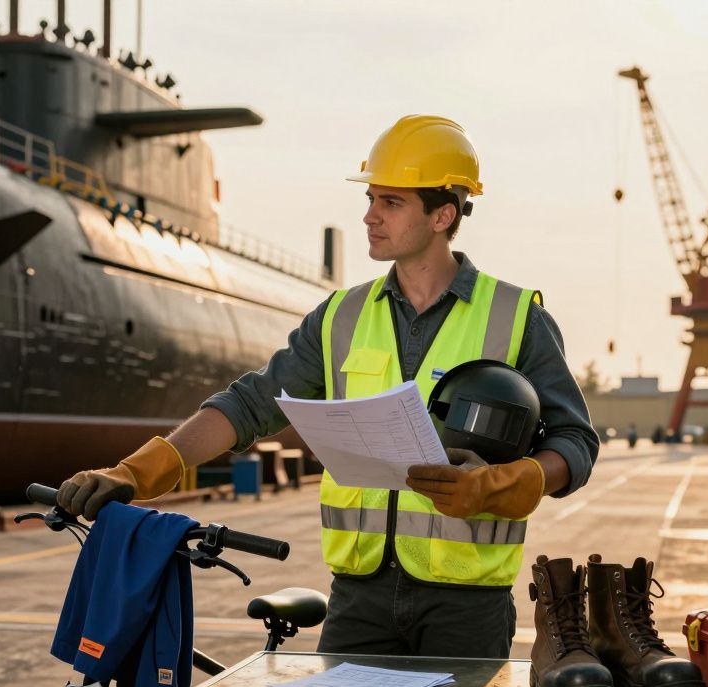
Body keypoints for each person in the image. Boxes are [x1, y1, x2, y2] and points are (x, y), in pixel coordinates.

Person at [58, 115, 600, 658]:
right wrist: (137, 472)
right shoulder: (340, 316)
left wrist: (503, 485)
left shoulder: (515, 317)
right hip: (359, 599)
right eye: (371, 199)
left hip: (468, 606)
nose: (369, 215)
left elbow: (575, 441)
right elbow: (250, 404)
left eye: (391, 202)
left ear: (443, 215)